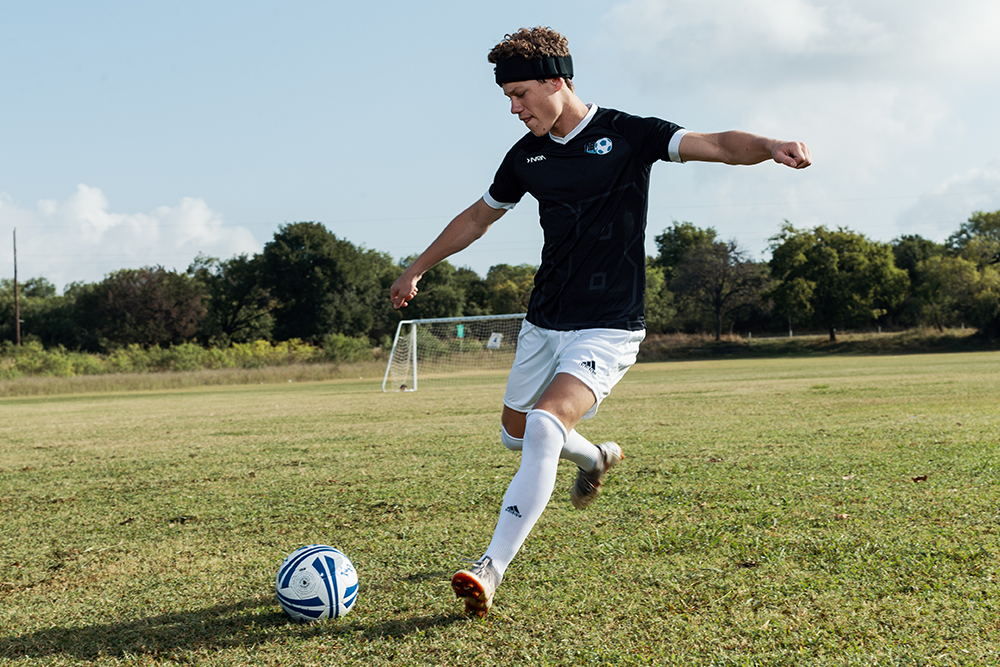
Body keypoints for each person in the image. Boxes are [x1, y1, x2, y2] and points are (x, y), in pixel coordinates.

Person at [389, 26, 811, 617]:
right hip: (545, 319)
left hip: (608, 323)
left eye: (519, 94)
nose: (513, 108)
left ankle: (491, 568)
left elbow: (715, 143)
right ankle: (595, 457)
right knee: (516, 433)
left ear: (557, 81)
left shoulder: (628, 134)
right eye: (506, 98)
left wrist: (768, 144)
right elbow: (479, 217)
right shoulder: (525, 156)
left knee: (541, 427)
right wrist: (416, 268)